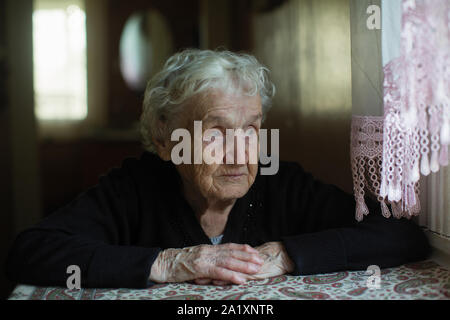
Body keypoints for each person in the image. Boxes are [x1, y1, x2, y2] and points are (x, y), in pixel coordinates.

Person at [5, 49, 430, 289]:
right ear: (164, 137)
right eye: (215, 131)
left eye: (251, 129)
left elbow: (399, 235)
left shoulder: (280, 181)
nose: (240, 152)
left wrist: (284, 254)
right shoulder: (133, 188)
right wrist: (170, 264)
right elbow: (31, 252)